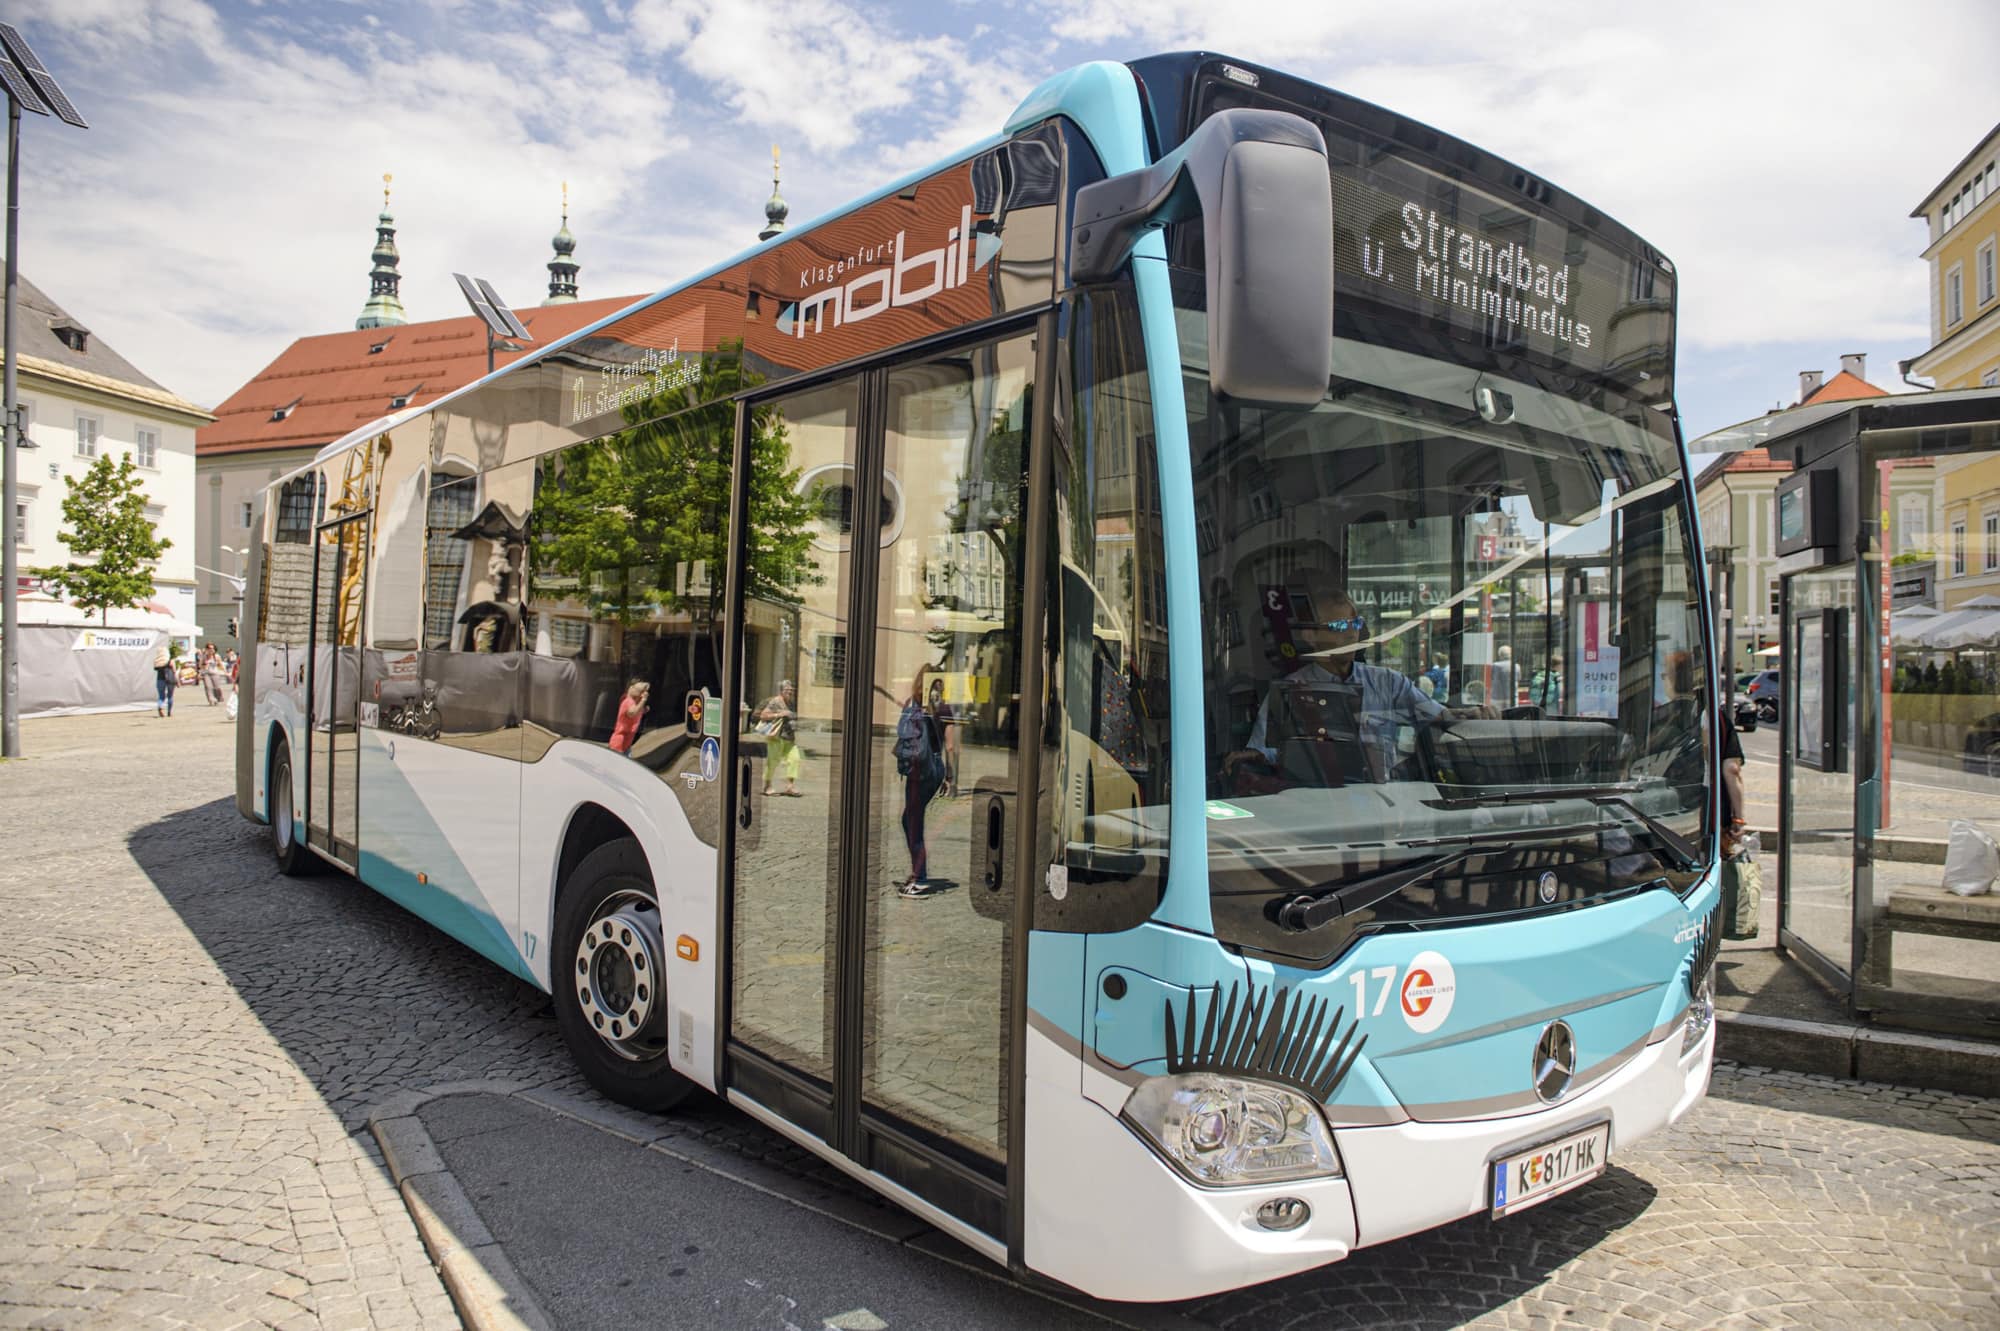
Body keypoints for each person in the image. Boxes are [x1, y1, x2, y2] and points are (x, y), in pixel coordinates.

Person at [1222, 574, 1491, 784]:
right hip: (1313, 802)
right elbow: (1261, 752)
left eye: (1355, 624)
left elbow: (1439, 719)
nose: (1351, 634)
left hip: (1382, 801)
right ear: (1310, 636)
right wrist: (1256, 756)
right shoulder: (1291, 690)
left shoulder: (1388, 683)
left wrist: (1475, 715)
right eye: (1340, 626)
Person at [893, 664, 948, 897]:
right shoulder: (938, 706)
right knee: (911, 820)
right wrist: (946, 776)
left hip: (920, 771)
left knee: (913, 822)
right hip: (934, 769)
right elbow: (943, 743)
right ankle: (919, 873)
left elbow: (905, 737)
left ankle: (920, 878)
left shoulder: (914, 705)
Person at [756, 680, 801, 796]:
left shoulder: (791, 703)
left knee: (795, 759)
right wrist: (779, 714)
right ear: (781, 691)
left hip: (789, 737)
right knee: (773, 762)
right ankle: (767, 785)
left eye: (791, 690)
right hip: (776, 737)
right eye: (787, 690)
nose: (790, 692)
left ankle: (790, 786)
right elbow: (763, 715)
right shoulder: (775, 702)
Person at [609, 680, 649, 755]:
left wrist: (643, 710)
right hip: (619, 745)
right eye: (641, 691)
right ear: (631, 688)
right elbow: (632, 713)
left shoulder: (634, 703)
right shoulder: (628, 701)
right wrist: (643, 700)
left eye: (644, 692)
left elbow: (634, 713)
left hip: (626, 744)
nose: (642, 694)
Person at [152, 641, 177, 718]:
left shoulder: (156, 661)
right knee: (170, 696)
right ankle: (169, 712)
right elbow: (174, 671)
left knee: (161, 696)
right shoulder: (171, 661)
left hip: (160, 679)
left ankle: (160, 706)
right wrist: (177, 681)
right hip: (170, 680)